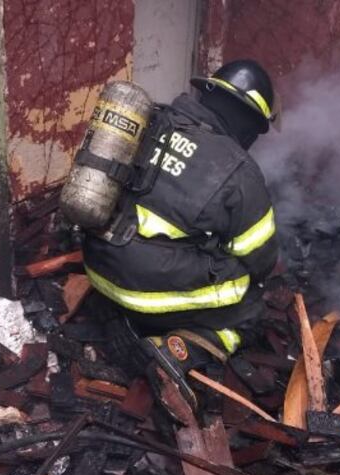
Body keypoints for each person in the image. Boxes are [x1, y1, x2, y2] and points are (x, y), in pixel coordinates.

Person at [83, 60, 280, 411]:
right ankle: (178, 354)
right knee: (248, 302)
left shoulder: (154, 119)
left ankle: (118, 315)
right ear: (250, 120)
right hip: (142, 292)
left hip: (98, 264)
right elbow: (260, 256)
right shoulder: (238, 169)